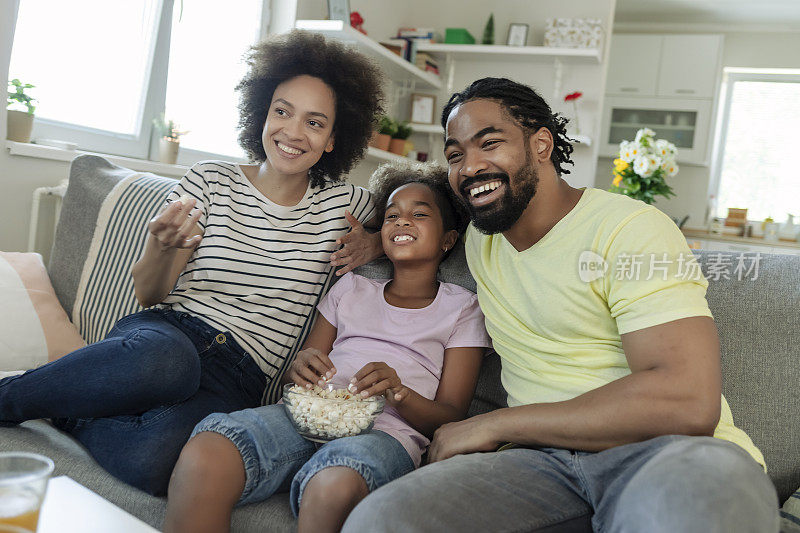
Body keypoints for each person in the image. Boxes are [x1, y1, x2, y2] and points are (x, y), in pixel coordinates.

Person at [343, 78, 779, 532]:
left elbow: (687, 402)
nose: (470, 167)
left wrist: (495, 424)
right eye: (455, 155)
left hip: (666, 454)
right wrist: (378, 239)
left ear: (541, 145)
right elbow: (420, 227)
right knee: (382, 520)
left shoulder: (630, 229)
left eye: (489, 143)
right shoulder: (479, 240)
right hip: (539, 466)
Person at [0, 30, 385, 496]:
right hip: (168, 338)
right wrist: (161, 247)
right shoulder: (209, 180)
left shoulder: (346, 204)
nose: (292, 131)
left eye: (314, 122)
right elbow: (150, 295)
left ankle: (72, 409)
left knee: (157, 460)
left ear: (332, 141)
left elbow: (423, 223)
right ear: (262, 111)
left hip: (242, 377)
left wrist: (375, 244)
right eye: (282, 111)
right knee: (170, 361)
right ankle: (9, 399)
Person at [163, 160, 490, 533]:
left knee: (332, 484)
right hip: (310, 417)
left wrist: (399, 392)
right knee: (207, 449)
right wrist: (301, 365)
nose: (401, 221)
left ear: (448, 239)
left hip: (386, 435)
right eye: (392, 215)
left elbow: (451, 417)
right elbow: (301, 369)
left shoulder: (463, 308)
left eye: (419, 214)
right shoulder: (351, 288)